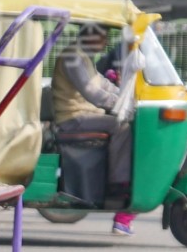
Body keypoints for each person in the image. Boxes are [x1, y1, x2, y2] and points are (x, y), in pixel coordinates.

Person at [49, 24, 136, 236]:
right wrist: (120, 104)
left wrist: (127, 97)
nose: (105, 43)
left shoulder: (83, 56)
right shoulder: (73, 56)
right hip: (72, 118)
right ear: (90, 36)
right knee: (121, 126)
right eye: (102, 38)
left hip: (84, 114)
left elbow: (102, 84)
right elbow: (91, 92)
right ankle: (118, 183)